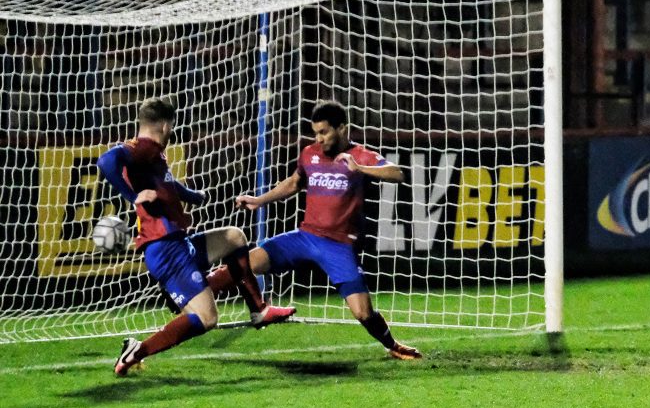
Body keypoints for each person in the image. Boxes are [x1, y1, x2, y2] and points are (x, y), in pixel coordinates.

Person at [97, 97, 295, 376]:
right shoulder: (143, 147)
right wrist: (133, 196)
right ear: (165, 126)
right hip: (165, 248)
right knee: (207, 318)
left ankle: (259, 310)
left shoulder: (153, 154)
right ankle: (136, 350)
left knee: (234, 238)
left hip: (178, 243)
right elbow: (106, 161)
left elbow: (166, 183)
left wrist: (193, 196)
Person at [234, 100, 422, 360]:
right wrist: (259, 200)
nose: (319, 139)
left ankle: (392, 345)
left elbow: (397, 173)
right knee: (245, 262)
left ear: (342, 128)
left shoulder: (359, 155)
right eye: (316, 133)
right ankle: (205, 293)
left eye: (324, 132)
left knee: (363, 312)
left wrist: (360, 168)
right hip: (305, 237)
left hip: (339, 246)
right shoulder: (309, 153)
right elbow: (294, 183)